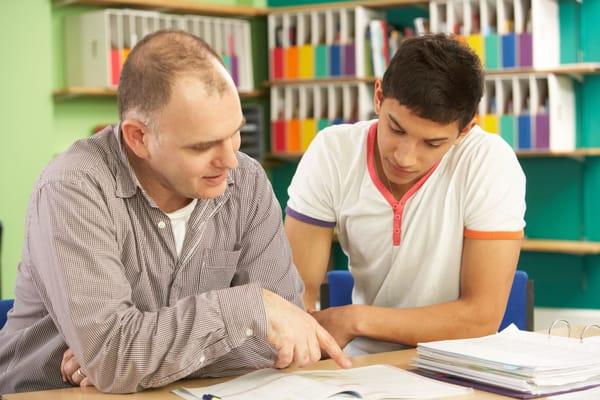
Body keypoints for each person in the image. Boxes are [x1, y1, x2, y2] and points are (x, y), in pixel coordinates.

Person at [0, 30, 350, 395]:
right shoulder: (73, 188)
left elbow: (286, 339)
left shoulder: (246, 182)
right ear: (138, 137)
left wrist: (136, 361)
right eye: (202, 146)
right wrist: (248, 308)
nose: (230, 159)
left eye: (234, 134)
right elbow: (114, 358)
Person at [284, 34, 526, 355]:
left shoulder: (490, 161)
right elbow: (293, 294)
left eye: (432, 143)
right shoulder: (333, 152)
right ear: (379, 97)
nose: (405, 157)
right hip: (361, 366)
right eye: (396, 129)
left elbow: (479, 319)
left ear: (465, 129)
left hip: (459, 360)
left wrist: (355, 319)